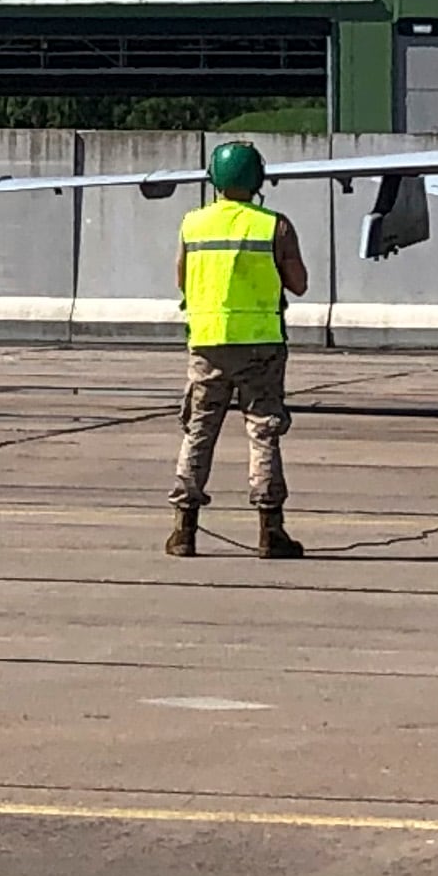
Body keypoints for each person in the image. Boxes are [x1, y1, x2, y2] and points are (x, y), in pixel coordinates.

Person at [168, 139, 308, 560]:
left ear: (214, 179)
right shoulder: (274, 225)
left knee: (198, 432)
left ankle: (183, 531)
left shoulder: (192, 224)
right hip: (261, 346)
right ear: (258, 179)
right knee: (263, 432)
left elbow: (181, 280)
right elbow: (299, 283)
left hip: (207, 344)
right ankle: (270, 530)